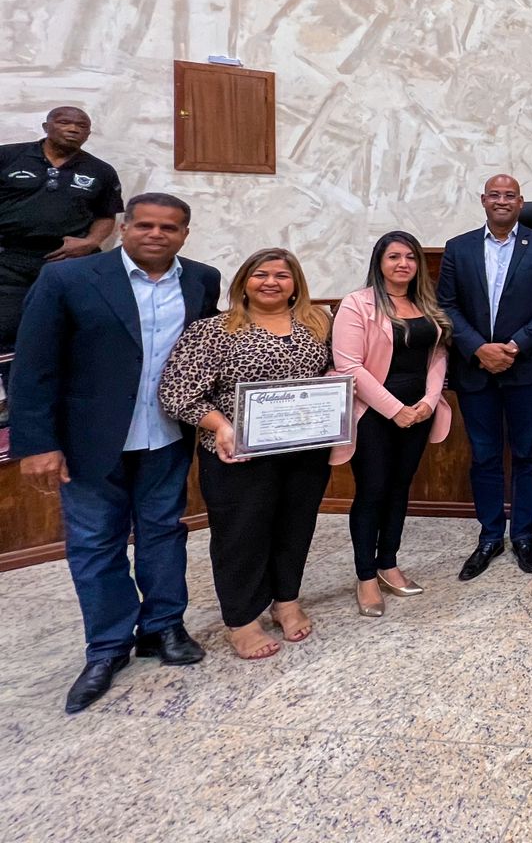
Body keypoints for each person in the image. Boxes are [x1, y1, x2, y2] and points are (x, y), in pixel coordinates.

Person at [9, 193, 219, 713]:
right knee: (95, 543)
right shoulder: (69, 279)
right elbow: (33, 365)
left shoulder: (201, 279)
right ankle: (106, 646)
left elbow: (205, 353)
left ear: (185, 234)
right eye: (144, 224)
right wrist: (36, 442)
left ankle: (164, 627)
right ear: (123, 228)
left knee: (164, 533)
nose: (156, 234)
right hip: (88, 441)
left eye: (169, 227)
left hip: (166, 436)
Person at [158, 249, 336, 661]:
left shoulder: (317, 324)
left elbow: (329, 376)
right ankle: (242, 619)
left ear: (296, 285)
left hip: (304, 450)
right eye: (260, 274)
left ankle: (286, 600)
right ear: (243, 282)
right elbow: (177, 393)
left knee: (295, 528)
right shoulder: (214, 330)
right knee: (241, 536)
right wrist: (221, 426)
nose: (271, 282)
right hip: (238, 454)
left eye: (281, 275)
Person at [437, 174, 532, 581]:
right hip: (475, 368)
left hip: (524, 367)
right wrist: (478, 347)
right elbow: (447, 305)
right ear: (483, 200)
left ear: (521, 202)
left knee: (527, 453)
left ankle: (524, 536)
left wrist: (515, 345)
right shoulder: (458, 248)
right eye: (494, 194)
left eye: (509, 195)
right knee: (485, 455)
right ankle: (491, 536)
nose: (501, 200)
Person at [333, 231, 453, 617]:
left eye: (411, 257)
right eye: (394, 257)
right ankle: (366, 576)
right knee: (372, 491)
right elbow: (348, 366)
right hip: (373, 415)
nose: (403, 264)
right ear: (379, 262)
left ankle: (388, 563)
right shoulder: (358, 303)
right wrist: (393, 409)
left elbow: (437, 355)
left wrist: (428, 402)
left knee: (400, 489)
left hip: (418, 413)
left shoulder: (425, 302)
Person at [0, 107, 123, 350]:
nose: (73, 129)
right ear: (46, 127)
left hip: (69, 261)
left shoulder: (101, 171)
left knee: (68, 332)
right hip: (9, 260)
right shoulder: (8, 157)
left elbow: (106, 216)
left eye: (82, 126)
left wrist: (90, 243)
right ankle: (16, 385)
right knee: (7, 331)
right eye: (65, 122)